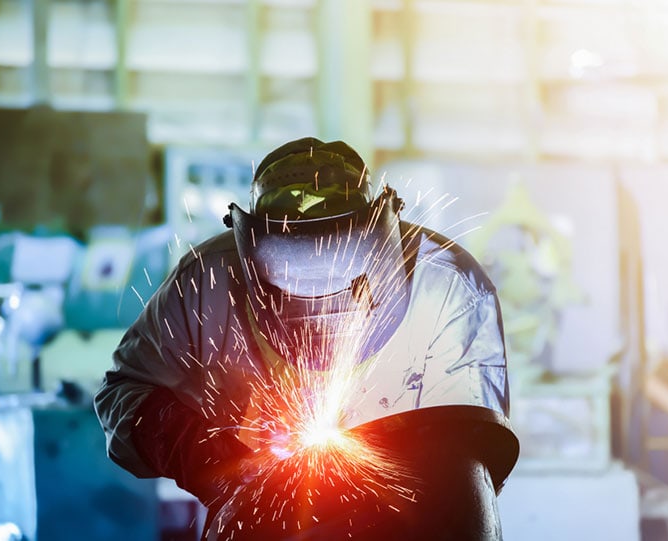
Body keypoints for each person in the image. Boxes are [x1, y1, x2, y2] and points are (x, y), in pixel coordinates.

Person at [94, 137, 519, 541]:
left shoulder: (445, 286)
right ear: (253, 251)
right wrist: (207, 452)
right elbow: (121, 394)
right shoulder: (207, 283)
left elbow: (468, 465)